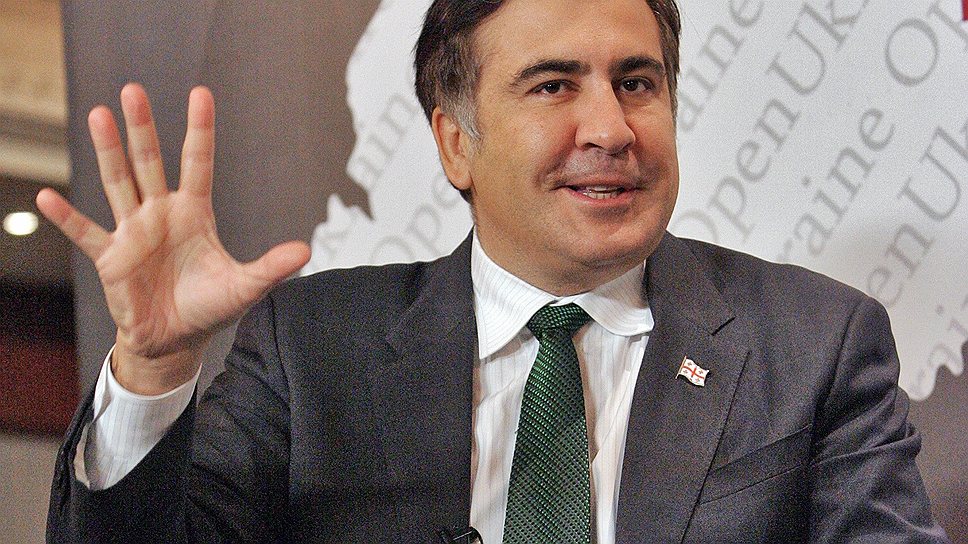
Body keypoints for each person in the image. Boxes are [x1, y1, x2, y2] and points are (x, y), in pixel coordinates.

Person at [40, 0, 948, 542]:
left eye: (637, 83)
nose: (611, 129)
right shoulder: (312, 347)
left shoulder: (813, 344)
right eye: (554, 86)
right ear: (455, 143)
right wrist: (154, 369)